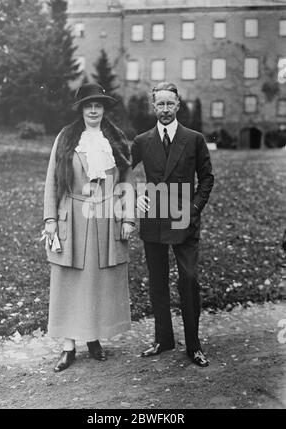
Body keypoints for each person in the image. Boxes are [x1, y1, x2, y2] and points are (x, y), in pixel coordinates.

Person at [43, 83, 135, 372]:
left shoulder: (116, 139)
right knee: (69, 280)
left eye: (98, 105)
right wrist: (50, 220)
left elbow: (126, 183)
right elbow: (52, 182)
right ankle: (69, 345)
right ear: (81, 109)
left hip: (106, 217)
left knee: (97, 280)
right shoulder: (67, 138)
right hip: (72, 214)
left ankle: (93, 337)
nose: (93, 110)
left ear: (104, 108)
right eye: (88, 106)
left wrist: (128, 218)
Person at [131, 82, 214, 367]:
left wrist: (193, 209)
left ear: (178, 106)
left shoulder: (194, 139)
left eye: (170, 103)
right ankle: (163, 339)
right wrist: (134, 197)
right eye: (160, 104)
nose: (165, 109)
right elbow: (120, 172)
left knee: (188, 280)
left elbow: (206, 178)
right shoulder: (142, 141)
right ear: (153, 107)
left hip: (184, 218)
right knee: (157, 281)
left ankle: (194, 345)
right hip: (154, 217)